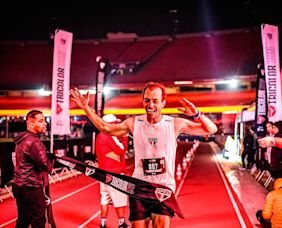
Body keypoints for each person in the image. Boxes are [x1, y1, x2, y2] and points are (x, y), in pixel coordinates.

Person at [70, 82, 218, 228]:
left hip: (163, 186)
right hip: (139, 185)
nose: (150, 105)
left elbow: (211, 129)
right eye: (147, 100)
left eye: (155, 101)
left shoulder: (174, 124)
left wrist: (197, 114)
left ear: (163, 103)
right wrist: (85, 108)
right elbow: (106, 128)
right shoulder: (134, 122)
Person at [12, 110, 55, 228]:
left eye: (45, 120)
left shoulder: (22, 138)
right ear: (30, 124)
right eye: (41, 121)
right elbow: (46, 165)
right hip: (30, 187)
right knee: (38, 221)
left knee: (23, 220)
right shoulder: (34, 142)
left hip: (19, 186)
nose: (45, 123)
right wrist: (51, 159)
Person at [97, 114, 130, 228]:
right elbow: (122, 149)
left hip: (102, 172)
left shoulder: (99, 135)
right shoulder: (109, 135)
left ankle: (103, 223)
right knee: (120, 198)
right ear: (110, 124)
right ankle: (121, 223)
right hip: (114, 172)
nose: (117, 125)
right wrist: (125, 136)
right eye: (115, 123)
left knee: (105, 197)